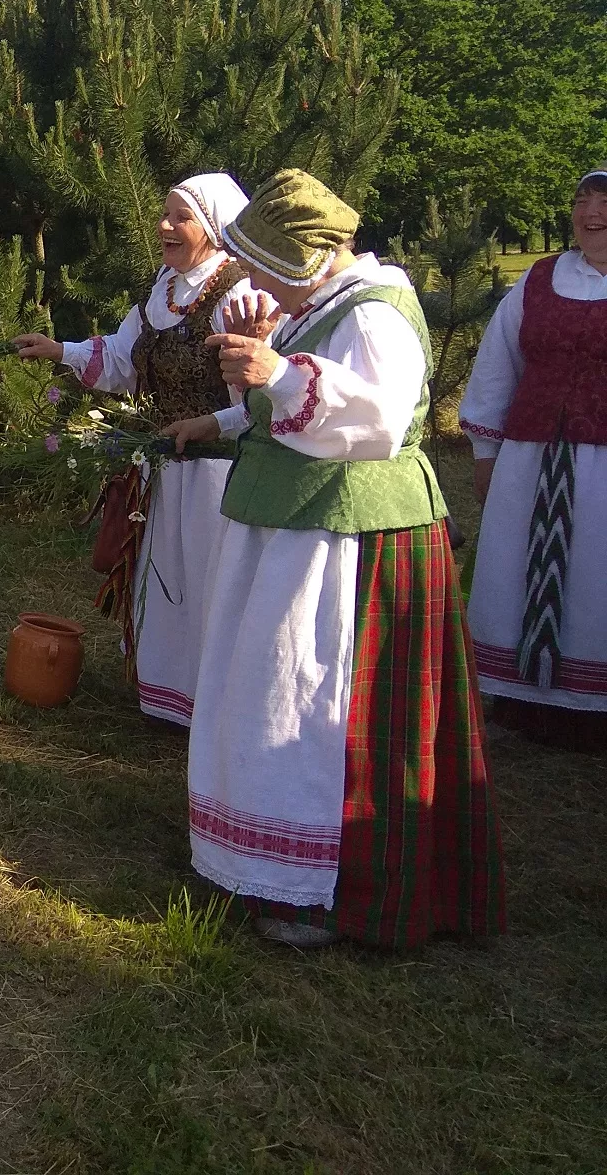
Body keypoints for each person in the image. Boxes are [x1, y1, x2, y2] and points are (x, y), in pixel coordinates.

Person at [163, 170, 505, 949]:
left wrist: (278, 373)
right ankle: (259, 864)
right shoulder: (314, 304)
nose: (247, 278)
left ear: (301, 259)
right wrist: (236, 399)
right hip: (292, 527)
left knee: (314, 709)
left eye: (257, 264)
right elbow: (277, 402)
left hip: (346, 545)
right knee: (267, 690)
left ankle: (325, 890)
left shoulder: (375, 312)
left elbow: (380, 418)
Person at [13, 175, 274, 727]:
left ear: (211, 227)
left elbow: (261, 403)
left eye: (180, 217)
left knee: (206, 587)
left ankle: (214, 708)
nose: (164, 226)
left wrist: (211, 424)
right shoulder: (165, 289)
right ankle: (167, 699)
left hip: (218, 478)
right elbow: (123, 357)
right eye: (164, 214)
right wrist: (59, 349)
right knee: (167, 584)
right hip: (166, 470)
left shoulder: (240, 295)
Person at [458, 169, 607, 750]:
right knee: (520, 567)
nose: (591, 212)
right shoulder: (540, 280)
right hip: (531, 458)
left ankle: (590, 706)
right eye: (582, 201)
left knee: (595, 575)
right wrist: (486, 449)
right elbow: (498, 363)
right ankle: (524, 694)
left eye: (603, 202)